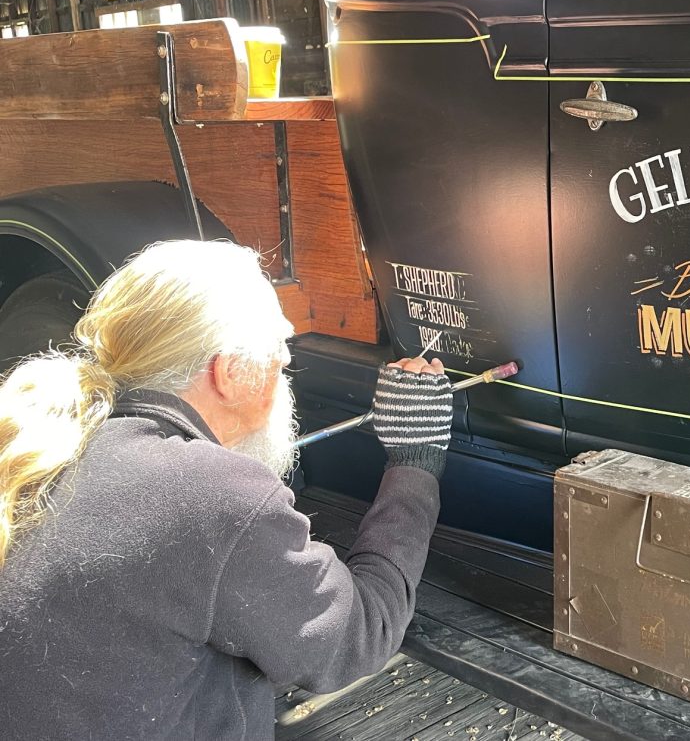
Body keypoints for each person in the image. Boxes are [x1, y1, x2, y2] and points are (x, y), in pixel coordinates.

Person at [0, 240, 452, 740]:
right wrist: (415, 461)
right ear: (231, 371)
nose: (286, 367)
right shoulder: (213, 495)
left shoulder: (47, 444)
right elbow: (359, 636)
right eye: (280, 356)